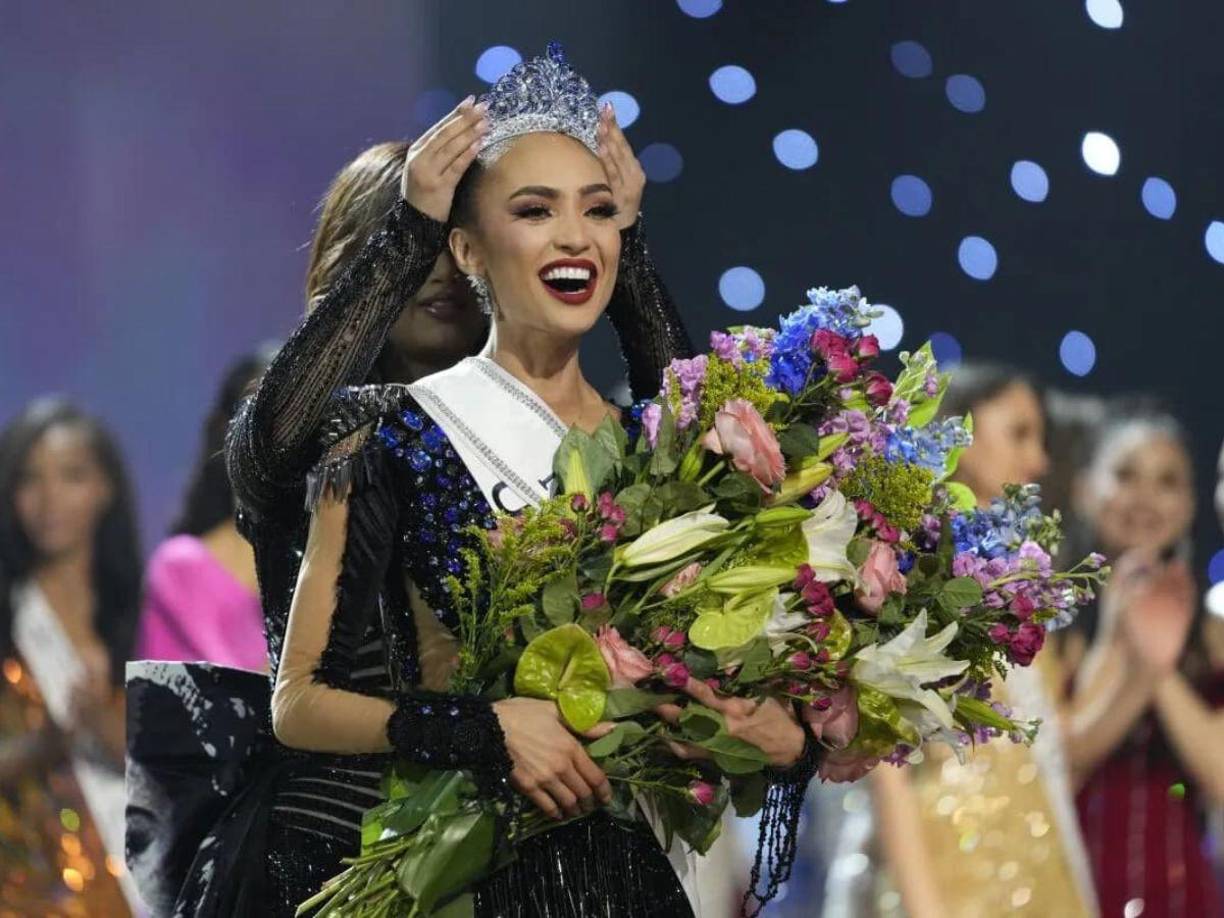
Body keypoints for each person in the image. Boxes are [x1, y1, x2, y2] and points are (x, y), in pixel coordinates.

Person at [127, 45, 775, 918]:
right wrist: (411, 224)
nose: (437, 270)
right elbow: (276, 438)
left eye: (447, 246)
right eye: (414, 245)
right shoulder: (331, 427)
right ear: (356, 267)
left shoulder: (567, 424)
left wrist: (624, 240)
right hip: (333, 851)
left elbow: (702, 458)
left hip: (532, 850)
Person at [852, 364, 1099, 917]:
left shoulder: (1026, 583)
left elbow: (1053, 755)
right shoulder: (904, 568)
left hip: (1038, 870)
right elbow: (881, 760)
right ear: (959, 429)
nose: (1038, 461)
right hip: (947, 875)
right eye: (1018, 433)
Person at [1066, 405, 1224, 917]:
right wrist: (1117, 636)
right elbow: (1060, 769)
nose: (1145, 499)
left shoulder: (1215, 637)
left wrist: (1158, 659)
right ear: (1088, 490)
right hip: (1062, 893)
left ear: (1190, 504)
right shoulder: (1045, 632)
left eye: (1167, 481)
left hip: (1182, 900)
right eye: (1126, 475)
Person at [0, 398, 143, 914]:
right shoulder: (12, 621)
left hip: (143, 883)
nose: (49, 500)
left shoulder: (143, 615)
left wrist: (111, 731)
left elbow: (197, 765)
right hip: (30, 891)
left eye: (72, 476)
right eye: (29, 480)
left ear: (105, 488)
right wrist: (44, 744)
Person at [135, 349, 274, 670]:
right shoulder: (180, 570)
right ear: (222, 430)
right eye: (259, 415)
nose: (281, 434)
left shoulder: (349, 558)